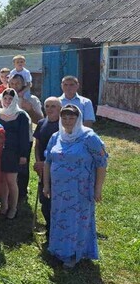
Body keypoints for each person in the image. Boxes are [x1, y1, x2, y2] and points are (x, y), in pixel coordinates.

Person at [43, 104, 108, 268]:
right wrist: (46, 184)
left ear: (78, 118)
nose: (67, 120)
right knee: (59, 218)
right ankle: (59, 250)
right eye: (64, 117)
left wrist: (98, 188)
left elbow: (102, 162)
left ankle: (74, 253)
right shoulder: (56, 136)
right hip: (59, 190)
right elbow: (48, 162)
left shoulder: (89, 137)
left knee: (76, 220)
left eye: (71, 117)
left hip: (81, 189)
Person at [7, 74, 43, 200]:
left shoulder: (32, 99)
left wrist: (30, 109)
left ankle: (21, 193)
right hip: (8, 140)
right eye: (12, 83)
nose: (15, 86)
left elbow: (40, 120)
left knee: (22, 166)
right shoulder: (5, 97)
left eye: (17, 83)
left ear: (23, 84)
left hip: (25, 138)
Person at [0, 89, 31, 220]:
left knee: (11, 181)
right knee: (2, 181)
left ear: (15, 100)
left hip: (14, 153)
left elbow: (24, 136)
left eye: (10, 99)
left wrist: (23, 155)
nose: (7, 101)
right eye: (5, 98)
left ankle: (13, 207)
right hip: (0, 152)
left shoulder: (21, 115)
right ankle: (4, 205)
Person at [33, 97, 61, 236]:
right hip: (43, 168)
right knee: (45, 199)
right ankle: (49, 226)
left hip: (57, 168)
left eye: (53, 106)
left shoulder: (63, 125)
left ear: (60, 108)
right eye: (47, 106)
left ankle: (57, 228)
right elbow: (37, 146)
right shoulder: (41, 123)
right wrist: (38, 161)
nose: (50, 109)